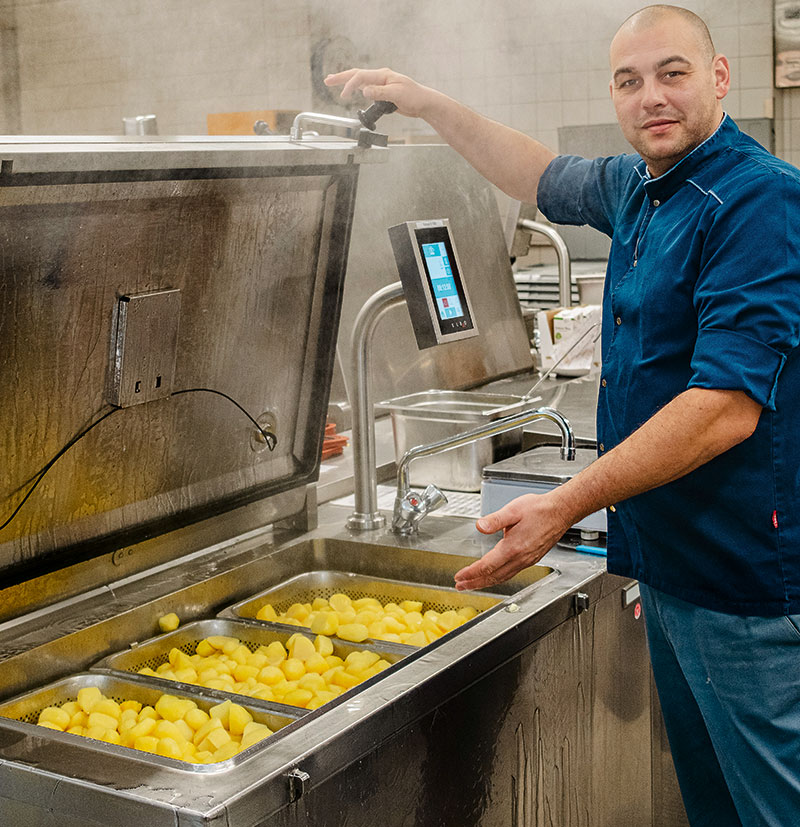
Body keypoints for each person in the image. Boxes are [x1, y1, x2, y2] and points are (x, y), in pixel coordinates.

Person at [326, 5, 800, 826]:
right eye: (629, 81)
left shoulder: (758, 203)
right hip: (675, 567)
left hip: (745, 588)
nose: (651, 96)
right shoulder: (641, 188)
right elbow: (535, 171)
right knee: (717, 808)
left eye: (673, 73)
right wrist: (425, 101)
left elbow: (722, 410)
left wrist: (565, 503)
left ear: (720, 79)